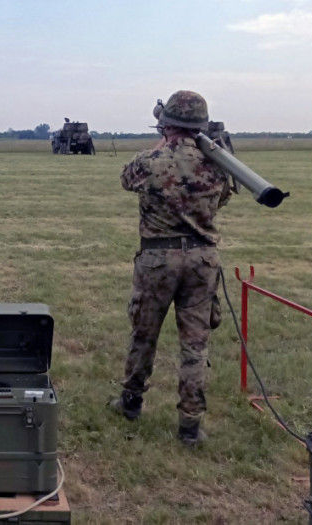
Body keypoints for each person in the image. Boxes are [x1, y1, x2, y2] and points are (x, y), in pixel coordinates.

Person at [111, 90, 231, 446]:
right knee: (195, 346)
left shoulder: (151, 160)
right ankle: (190, 425)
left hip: (158, 259)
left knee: (144, 334)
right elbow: (221, 200)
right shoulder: (220, 164)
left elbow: (125, 179)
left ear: (167, 124)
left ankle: (131, 402)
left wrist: (162, 144)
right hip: (202, 261)